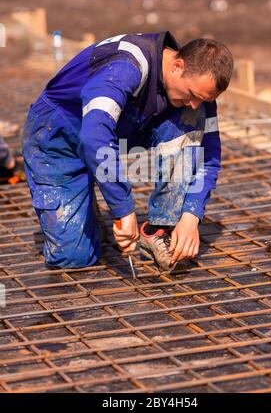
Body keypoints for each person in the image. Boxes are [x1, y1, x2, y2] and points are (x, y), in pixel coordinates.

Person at [22, 31, 233, 270]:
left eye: (204, 98)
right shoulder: (126, 67)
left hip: (117, 134)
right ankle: (84, 199)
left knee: (192, 117)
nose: (196, 103)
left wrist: (191, 215)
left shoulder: (198, 97)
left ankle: (161, 228)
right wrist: (124, 209)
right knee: (74, 257)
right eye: (193, 94)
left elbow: (209, 157)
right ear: (177, 66)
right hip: (58, 139)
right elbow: (94, 137)